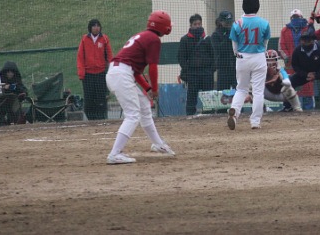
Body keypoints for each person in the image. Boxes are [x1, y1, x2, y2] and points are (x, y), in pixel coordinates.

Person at [105, 10, 176, 164]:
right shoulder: (153, 39)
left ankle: (158, 144)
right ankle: (115, 153)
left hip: (119, 72)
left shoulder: (144, 35)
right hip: (121, 74)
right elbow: (152, 67)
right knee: (133, 114)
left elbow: (136, 71)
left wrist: (148, 89)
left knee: (144, 106)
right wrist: (155, 88)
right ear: (163, 27)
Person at [227, 0, 271, 130]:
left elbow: (234, 44)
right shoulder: (264, 23)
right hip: (258, 57)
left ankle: (234, 112)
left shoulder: (237, 23)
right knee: (258, 91)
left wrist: (237, 54)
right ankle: (255, 121)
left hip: (242, 58)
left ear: (243, 7)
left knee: (241, 89)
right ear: (257, 7)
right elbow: (265, 44)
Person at [177, 13, 216, 115]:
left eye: (199, 24)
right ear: (191, 25)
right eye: (195, 24)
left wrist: (211, 70)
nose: (198, 26)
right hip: (193, 73)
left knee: (208, 97)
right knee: (191, 97)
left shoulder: (207, 39)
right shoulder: (184, 40)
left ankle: (209, 114)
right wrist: (187, 70)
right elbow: (181, 57)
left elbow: (213, 55)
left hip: (206, 73)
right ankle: (190, 116)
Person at [77, 19, 113, 120]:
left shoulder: (104, 39)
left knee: (101, 98)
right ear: (90, 28)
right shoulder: (84, 39)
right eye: (94, 26)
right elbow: (80, 56)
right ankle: (91, 118)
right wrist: (81, 72)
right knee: (89, 98)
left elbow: (109, 56)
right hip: (88, 74)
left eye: (98, 26)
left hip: (101, 73)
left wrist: (111, 70)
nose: (96, 28)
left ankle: (101, 118)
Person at [278, 9, 315, 110]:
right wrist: (287, 57)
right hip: (292, 65)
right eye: (294, 17)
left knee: (305, 86)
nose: (295, 19)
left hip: (301, 65)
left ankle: (306, 108)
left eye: (296, 17)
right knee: (291, 86)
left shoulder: (306, 29)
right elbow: (281, 47)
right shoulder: (285, 30)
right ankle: (290, 106)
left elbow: (281, 47)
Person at [287, 32, 320, 109]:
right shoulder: (297, 51)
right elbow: (295, 66)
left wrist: (316, 75)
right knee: (289, 82)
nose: (306, 42)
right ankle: (288, 106)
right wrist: (306, 74)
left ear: (313, 41)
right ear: (301, 41)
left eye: (308, 40)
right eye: (304, 40)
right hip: (304, 74)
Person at [211, 10, 237, 90]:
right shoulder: (216, 35)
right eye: (226, 22)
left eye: (230, 22)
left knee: (239, 90)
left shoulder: (235, 33)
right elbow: (218, 49)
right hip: (223, 69)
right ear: (221, 22)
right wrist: (227, 37)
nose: (229, 24)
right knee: (222, 93)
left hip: (235, 68)